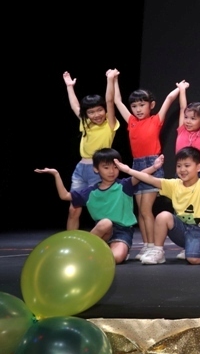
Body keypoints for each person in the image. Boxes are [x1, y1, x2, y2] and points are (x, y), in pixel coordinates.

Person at [35, 148, 163, 264]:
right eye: (106, 167)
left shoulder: (124, 185)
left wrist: (154, 167)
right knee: (105, 223)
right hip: (102, 231)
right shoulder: (90, 192)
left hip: (122, 232)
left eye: (115, 167)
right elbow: (65, 196)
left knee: (116, 258)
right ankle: (80, 250)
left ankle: (101, 252)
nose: (111, 171)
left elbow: (140, 175)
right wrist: (56, 174)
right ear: (96, 169)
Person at [111, 70, 180, 259]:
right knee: (140, 211)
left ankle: (155, 247)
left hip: (152, 163)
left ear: (151, 105)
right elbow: (117, 101)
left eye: (142, 105)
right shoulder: (131, 121)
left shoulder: (155, 120)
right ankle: (147, 244)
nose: (138, 109)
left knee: (145, 209)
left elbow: (169, 99)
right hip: (136, 165)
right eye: (134, 106)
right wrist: (114, 79)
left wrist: (179, 89)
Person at [115, 147, 200, 265]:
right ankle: (158, 251)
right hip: (181, 229)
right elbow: (151, 179)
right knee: (163, 216)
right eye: (179, 166)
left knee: (193, 259)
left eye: (187, 165)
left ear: (199, 167)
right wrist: (128, 170)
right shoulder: (174, 185)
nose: (182, 169)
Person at [62, 70, 119, 231]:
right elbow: (75, 107)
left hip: (99, 170)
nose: (96, 115)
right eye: (91, 112)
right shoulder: (86, 123)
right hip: (81, 170)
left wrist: (110, 80)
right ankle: (71, 241)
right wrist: (70, 87)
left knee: (100, 210)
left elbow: (109, 101)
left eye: (99, 110)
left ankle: (103, 240)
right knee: (74, 209)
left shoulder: (110, 124)